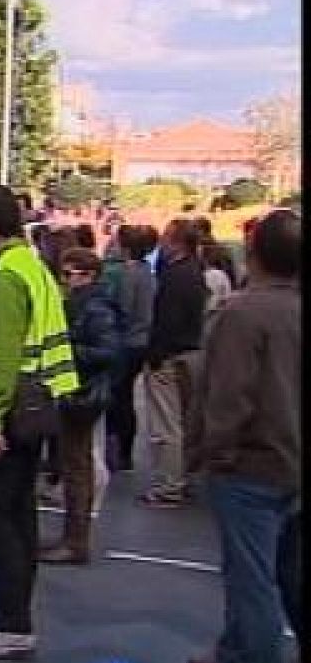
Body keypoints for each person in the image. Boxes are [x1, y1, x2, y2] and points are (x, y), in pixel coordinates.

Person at [174, 209, 301, 663]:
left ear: (255, 253)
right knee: (277, 572)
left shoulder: (243, 314)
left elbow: (228, 395)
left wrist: (212, 452)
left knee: (251, 580)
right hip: (289, 462)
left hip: (251, 463)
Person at [0, 184, 79, 659]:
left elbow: (2, 357)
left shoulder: (5, 276)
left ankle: (10, 621)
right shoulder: (33, 266)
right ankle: (13, 614)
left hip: (10, 409)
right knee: (19, 517)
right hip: (40, 403)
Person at [39, 248, 121, 565]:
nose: (64, 281)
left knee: (76, 465)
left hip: (82, 390)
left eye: (68, 274)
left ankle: (75, 540)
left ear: (88, 275)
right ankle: (73, 537)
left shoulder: (94, 307)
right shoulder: (91, 303)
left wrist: (66, 349)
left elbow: (108, 351)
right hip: (80, 388)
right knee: (75, 463)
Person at [143, 218, 207, 508]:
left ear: (176, 242)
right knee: (185, 420)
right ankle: (184, 476)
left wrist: (155, 355)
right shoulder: (195, 270)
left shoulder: (173, 275)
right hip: (192, 351)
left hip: (169, 355)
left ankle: (170, 484)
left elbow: (166, 320)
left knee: (166, 424)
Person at [102, 225, 156, 472]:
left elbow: (123, 307)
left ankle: (117, 451)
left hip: (127, 341)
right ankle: (125, 451)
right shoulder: (148, 272)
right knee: (126, 397)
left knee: (118, 398)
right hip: (143, 340)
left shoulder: (128, 274)